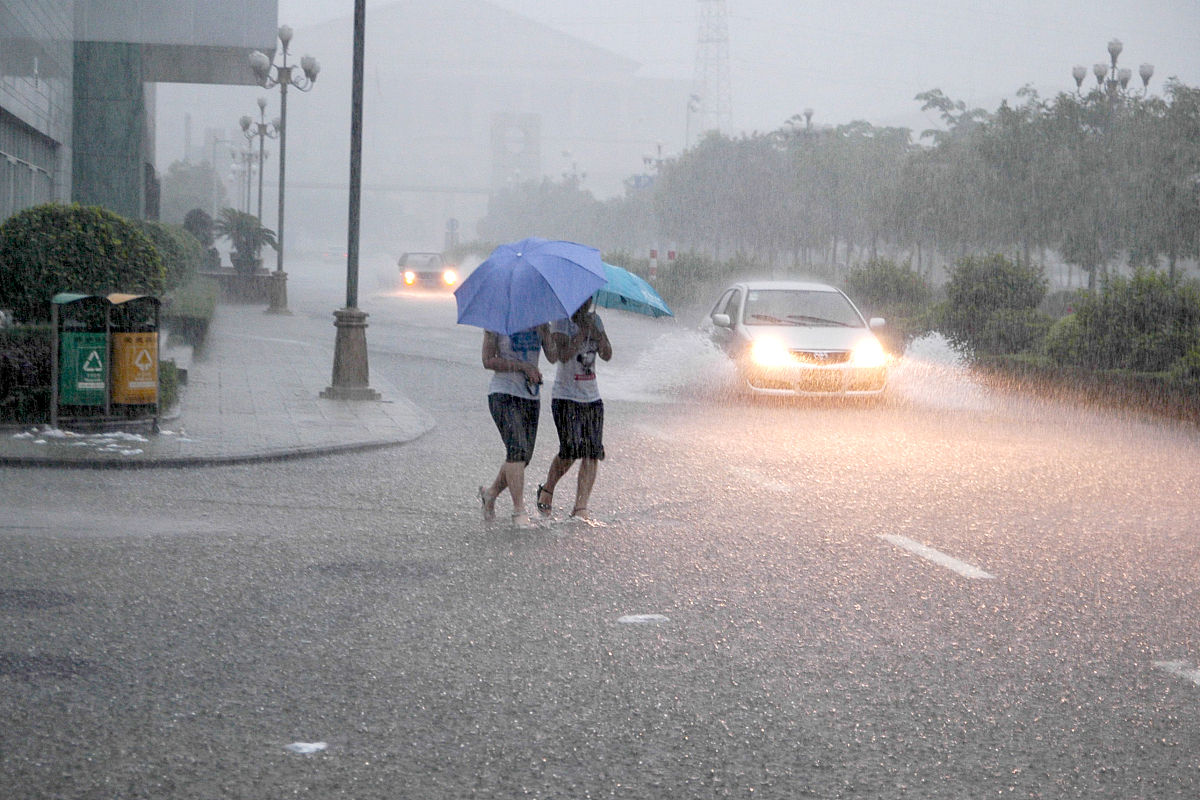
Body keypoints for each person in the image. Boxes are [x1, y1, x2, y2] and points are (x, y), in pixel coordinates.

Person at [536, 299, 612, 520]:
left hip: (592, 397)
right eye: (582, 299)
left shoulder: (596, 319)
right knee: (570, 450)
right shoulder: (561, 322)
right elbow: (562, 355)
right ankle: (548, 489)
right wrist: (581, 333)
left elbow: (607, 354)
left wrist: (597, 334)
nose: (586, 303)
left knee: (592, 452)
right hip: (566, 396)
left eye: (589, 298)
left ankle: (580, 507)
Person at [478, 324, 556, 527]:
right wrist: (523, 366)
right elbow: (488, 360)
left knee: (523, 458)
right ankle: (519, 511)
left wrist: (546, 332)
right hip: (503, 393)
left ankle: (491, 493)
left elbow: (554, 357)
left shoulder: (539, 321)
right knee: (517, 450)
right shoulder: (497, 319)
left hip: (530, 396)